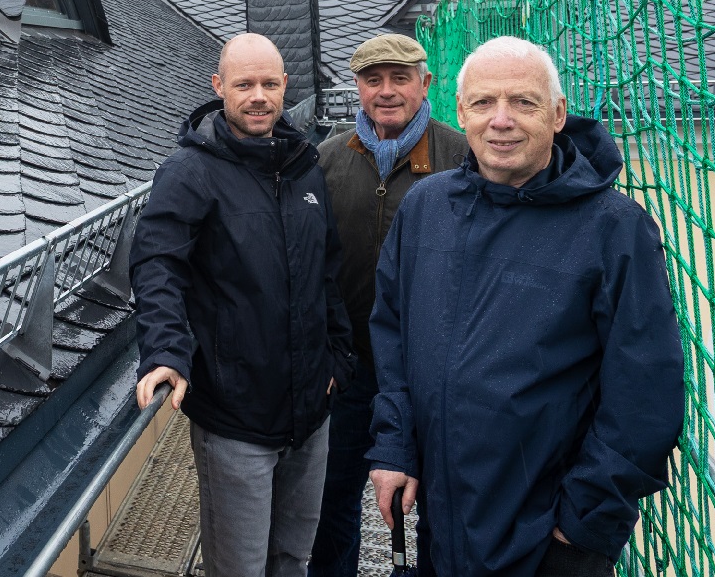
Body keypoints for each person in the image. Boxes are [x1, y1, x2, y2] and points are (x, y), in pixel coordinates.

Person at [367, 36, 684, 577]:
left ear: (558, 115)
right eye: (484, 103)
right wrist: (394, 447)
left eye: (524, 103)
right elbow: (392, 333)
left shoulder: (614, 227)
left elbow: (646, 395)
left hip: (548, 539)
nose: (502, 120)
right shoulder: (426, 207)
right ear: (461, 112)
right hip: (441, 521)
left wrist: (582, 529)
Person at [132, 33, 357, 577]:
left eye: (270, 84)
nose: (258, 96)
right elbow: (157, 263)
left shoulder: (303, 165)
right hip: (237, 419)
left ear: (285, 87)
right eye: (244, 84)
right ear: (219, 88)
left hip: (311, 411)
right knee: (240, 569)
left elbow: (326, 270)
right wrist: (166, 351)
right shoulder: (191, 171)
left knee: (292, 559)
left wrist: (338, 358)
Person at [307, 34, 468, 577]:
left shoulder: (462, 159)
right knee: (335, 503)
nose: (387, 91)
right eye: (373, 80)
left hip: (435, 373)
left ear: (427, 84)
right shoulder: (325, 161)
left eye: (401, 78)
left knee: (441, 506)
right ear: (357, 87)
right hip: (348, 370)